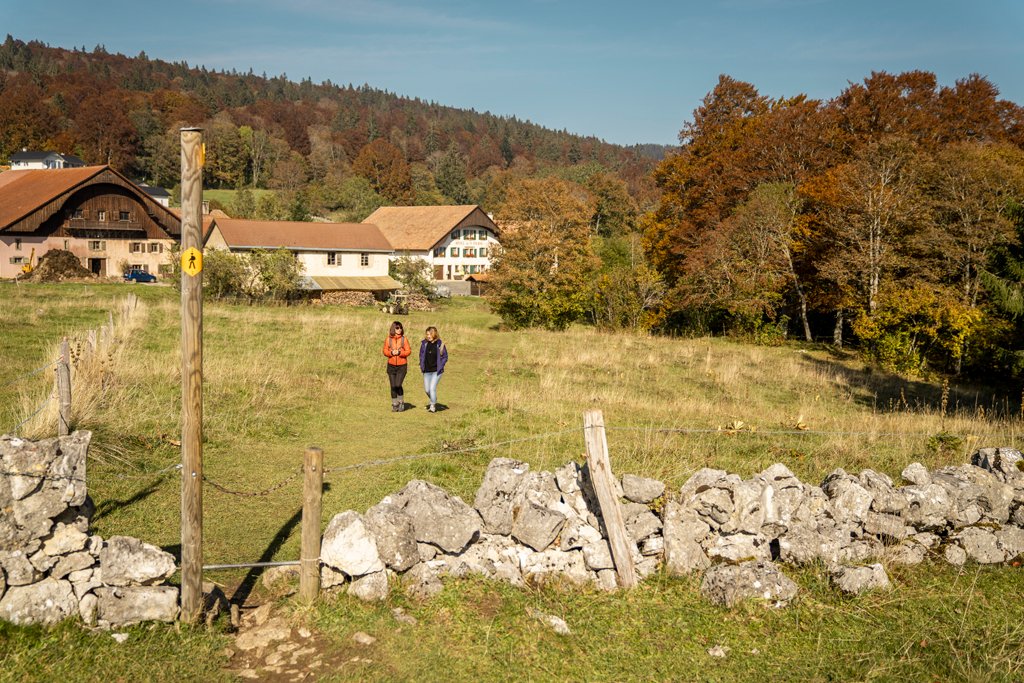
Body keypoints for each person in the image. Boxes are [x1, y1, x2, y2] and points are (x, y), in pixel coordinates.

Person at [382, 320, 411, 412]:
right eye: (397, 328)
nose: (399, 329)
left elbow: (408, 351)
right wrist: (391, 353)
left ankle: (401, 402)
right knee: (393, 386)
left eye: (400, 328)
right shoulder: (388, 339)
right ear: (393, 329)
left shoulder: (404, 339)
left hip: (402, 366)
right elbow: (384, 351)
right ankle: (395, 404)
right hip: (391, 366)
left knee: (398, 384)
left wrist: (399, 353)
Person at [419, 326, 448, 413]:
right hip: (427, 371)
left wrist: (441, 365)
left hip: (437, 371)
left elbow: (445, 357)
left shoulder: (440, 344)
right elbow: (421, 355)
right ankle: (434, 399)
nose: (428, 336)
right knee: (427, 390)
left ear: (434, 334)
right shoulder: (424, 344)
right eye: (427, 334)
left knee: (432, 388)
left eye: (430, 334)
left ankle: (432, 406)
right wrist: (421, 365)